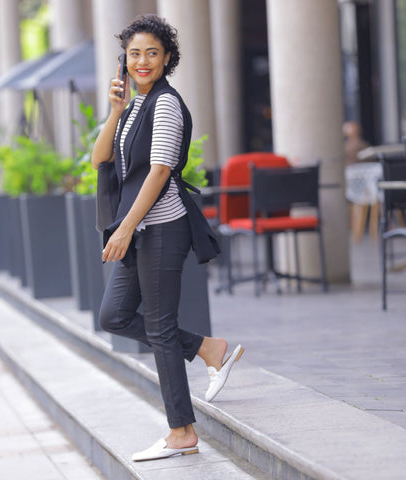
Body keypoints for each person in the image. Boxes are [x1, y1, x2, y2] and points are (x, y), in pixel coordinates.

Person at [91, 14, 243, 462]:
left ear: (167, 59)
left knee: (158, 328)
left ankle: (181, 432)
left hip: (161, 227)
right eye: (134, 54)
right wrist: (114, 112)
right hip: (140, 230)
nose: (142, 61)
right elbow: (101, 160)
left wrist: (123, 228)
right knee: (114, 316)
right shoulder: (136, 104)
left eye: (151, 53)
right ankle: (206, 348)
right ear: (125, 60)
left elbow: (158, 172)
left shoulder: (166, 105)